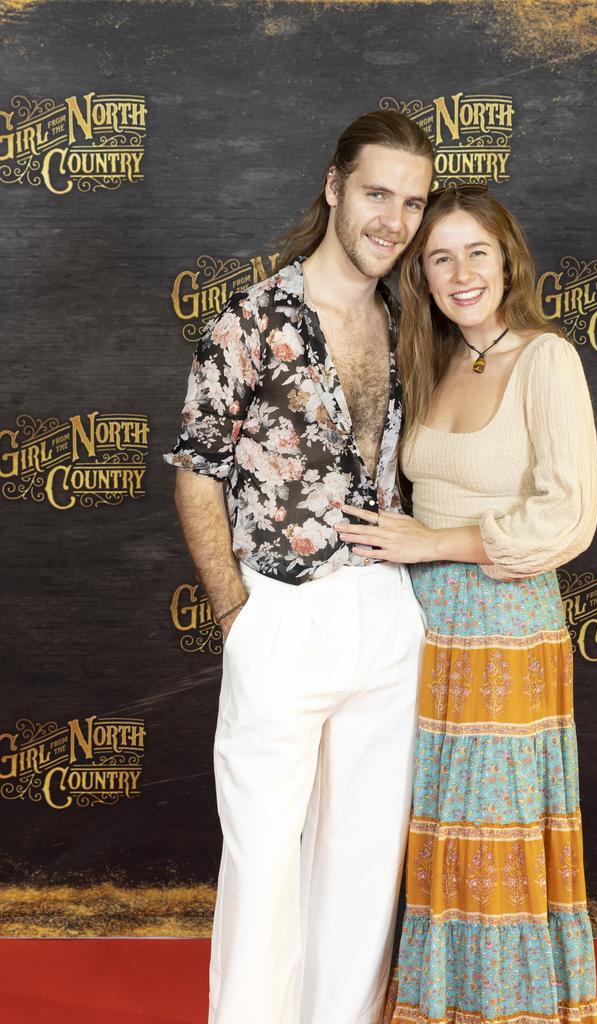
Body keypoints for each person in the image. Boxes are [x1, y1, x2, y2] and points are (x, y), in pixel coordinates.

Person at [164, 110, 434, 1024]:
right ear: (332, 187)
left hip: (387, 618)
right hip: (280, 612)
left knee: (362, 866)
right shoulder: (248, 320)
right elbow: (198, 471)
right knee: (266, 861)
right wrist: (239, 614)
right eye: (376, 194)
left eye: (411, 203)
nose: (392, 220)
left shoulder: (409, 318)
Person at [337, 186, 597, 1024]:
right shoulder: (436, 359)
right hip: (423, 631)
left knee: (495, 839)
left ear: (507, 258)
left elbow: (569, 515)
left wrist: (434, 544)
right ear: (422, 270)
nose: (460, 273)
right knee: (436, 837)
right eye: (440, 256)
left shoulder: (546, 358)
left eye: (475, 252)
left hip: (505, 629)